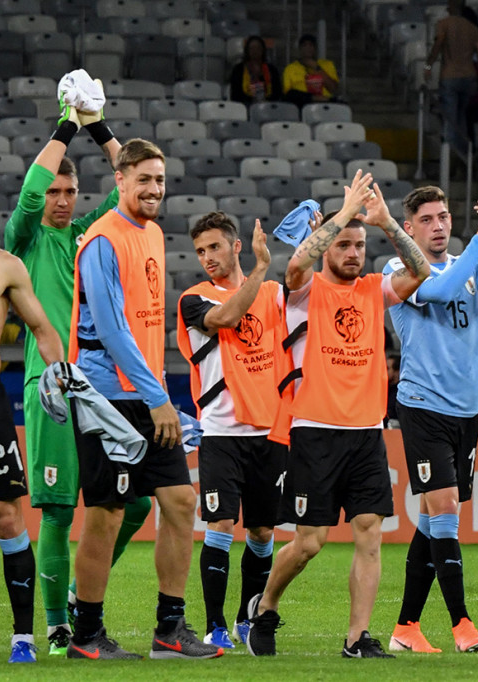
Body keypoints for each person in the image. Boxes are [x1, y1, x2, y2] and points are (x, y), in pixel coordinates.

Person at [246, 171, 430, 658]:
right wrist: (345, 213)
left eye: (358, 244)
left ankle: (356, 638)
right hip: (315, 432)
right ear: (328, 245)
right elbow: (297, 264)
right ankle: (264, 608)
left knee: (370, 532)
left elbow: (420, 273)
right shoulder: (306, 290)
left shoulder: (374, 287)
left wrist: (388, 222)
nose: (353, 251)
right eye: (344, 243)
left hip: (367, 432)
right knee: (308, 544)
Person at [5, 89, 154, 657]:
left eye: (71, 192)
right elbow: (27, 196)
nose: (63, 201)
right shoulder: (26, 242)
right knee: (59, 508)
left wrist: (98, 124)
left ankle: (74, 598)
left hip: (99, 384)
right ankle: (57, 624)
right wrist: (66, 126)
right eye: (56, 193)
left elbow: (129, 186)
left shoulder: (91, 234)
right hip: (50, 386)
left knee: (136, 502)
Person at [66, 138, 222, 660]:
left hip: (146, 392)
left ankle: (169, 631)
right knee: (107, 513)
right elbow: (112, 332)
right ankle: (86, 635)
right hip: (106, 397)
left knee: (180, 502)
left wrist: (156, 394)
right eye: (144, 180)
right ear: (120, 181)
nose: (155, 189)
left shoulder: (152, 233)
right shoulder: (103, 239)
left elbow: (146, 325)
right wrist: (159, 397)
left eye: (160, 179)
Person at [384, 186, 478, 653]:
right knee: (444, 512)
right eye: (427, 219)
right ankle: (462, 623)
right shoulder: (398, 271)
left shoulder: (472, 265)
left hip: (467, 410)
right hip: (423, 405)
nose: (439, 225)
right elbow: (439, 291)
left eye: (443, 216)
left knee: (434, 517)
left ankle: (406, 627)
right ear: (409, 229)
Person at [176, 212, 285, 650]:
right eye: (200, 251)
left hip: (269, 430)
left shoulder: (275, 294)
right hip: (220, 432)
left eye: (215, 247)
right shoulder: (193, 299)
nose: (207, 258)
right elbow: (225, 317)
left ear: (235, 245)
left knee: (261, 533)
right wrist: (261, 267)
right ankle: (216, 624)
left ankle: (246, 616)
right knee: (219, 523)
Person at [0, 250, 65, 663]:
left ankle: (23, 637)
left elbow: (41, 328)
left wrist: (59, 379)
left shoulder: (8, 266)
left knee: (6, 515)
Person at [424, 0, 478, 157]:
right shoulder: (472, 28)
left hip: (450, 76)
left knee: (450, 119)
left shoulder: (444, 24)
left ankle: (450, 158)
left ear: (450, 6)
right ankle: (462, 156)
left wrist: (428, 66)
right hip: (469, 76)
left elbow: (438, 44)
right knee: (462, 119)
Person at [282, 34, 340, 107]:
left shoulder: (327, 65)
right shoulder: (290, 68)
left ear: (315, 48)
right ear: (300, 49)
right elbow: (288, 95)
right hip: (300, 105)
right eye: (304, 45)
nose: (308, 48)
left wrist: (316, 68)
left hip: (325, 105)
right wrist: (312, 98)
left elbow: (333, 88)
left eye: (311, 45)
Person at [230, 35, 282, 105]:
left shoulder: (272, 69)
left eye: (258, 48)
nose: (255, 51)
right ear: (247, 51)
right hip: (245, 107)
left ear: (263, 50)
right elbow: (235, 95)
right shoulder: (238, 69)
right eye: (252, 48)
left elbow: (277, 93)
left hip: (269, 107)